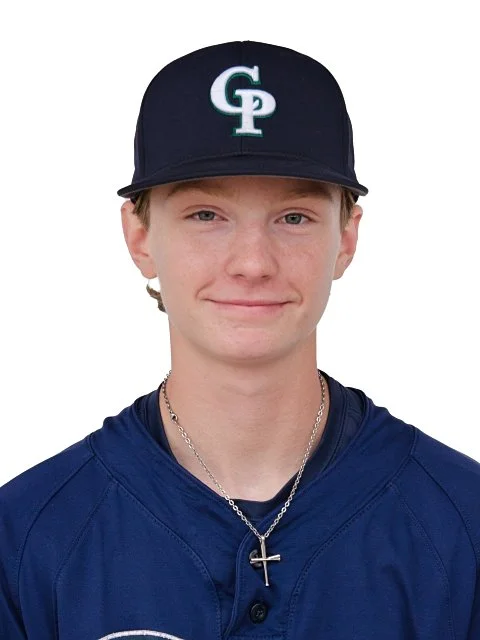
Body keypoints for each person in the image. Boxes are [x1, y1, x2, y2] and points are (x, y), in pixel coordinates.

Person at [1, 40, 479, 640]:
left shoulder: (462, 523)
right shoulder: (27, 538)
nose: (252, 263)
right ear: (139, 236)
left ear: (347, 236)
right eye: (206, 215)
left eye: (294, 217)